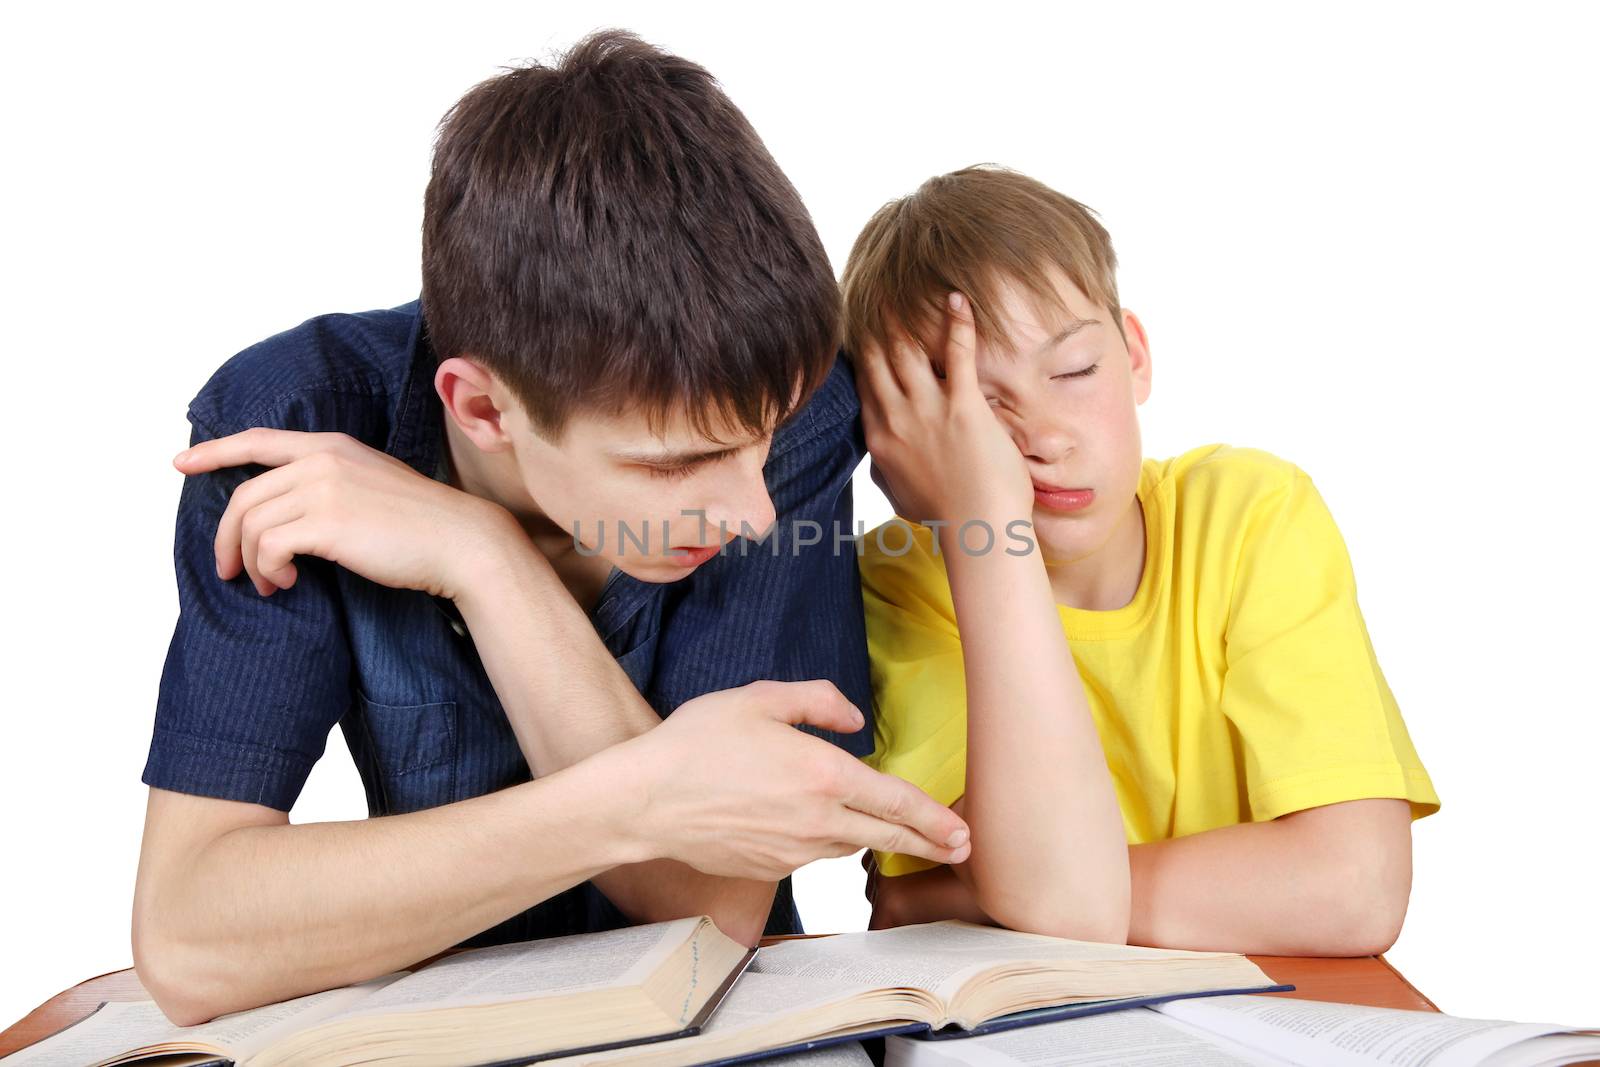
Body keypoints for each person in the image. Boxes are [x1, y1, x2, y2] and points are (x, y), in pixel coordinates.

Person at [133, 30, 970, 1027]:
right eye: (673, 464)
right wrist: (639, 795)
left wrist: (484, 561)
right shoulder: (295, 426)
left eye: (761, 442)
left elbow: (708, 902)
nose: (752, 511)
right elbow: (190, 938)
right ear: (482, 408)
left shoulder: (796, 405)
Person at [841, 164, 1439, 956]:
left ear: (1135, 355)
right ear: (899, 439)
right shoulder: (894, 584)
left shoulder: (1251, 514)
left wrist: (941, 896)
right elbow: (1063, 895)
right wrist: (982, 525)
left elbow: (1357, 891)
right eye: (980, 410)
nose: (1047, 437)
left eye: (1075, 372)